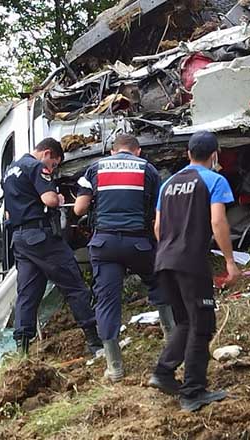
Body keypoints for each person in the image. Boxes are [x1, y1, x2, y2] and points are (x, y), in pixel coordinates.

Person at [148, 131, 241, 412]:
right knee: (202, 325)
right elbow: (217, 221)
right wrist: (229, 261)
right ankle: (192, 392)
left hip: (164, 260)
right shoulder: (214, 180)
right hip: (191, 262)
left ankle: (163, 373)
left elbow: (157, 227)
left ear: (188, 154)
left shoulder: (168, 184)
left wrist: (170, 249)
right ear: (215, 155)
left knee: (185, 323)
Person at [73, 133, 175, 382]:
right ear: (137, 151)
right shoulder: (148, 170)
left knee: (107, 302)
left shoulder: (94, 169)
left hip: (104, 244)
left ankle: (115, 367)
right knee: (159, 283)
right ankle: (172, 342)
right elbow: (157, 209)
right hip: (138, 243)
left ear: (112, 151)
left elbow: (79, 209)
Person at [3, 137, 102, 356]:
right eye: (54, 164)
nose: (52, 168)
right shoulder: (36, 167)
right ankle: (95, 341)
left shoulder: (10, 170)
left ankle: (22, 350)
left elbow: (8, 211)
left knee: (28, 293)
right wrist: (57, 196)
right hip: (41, 237)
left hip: (19, 238)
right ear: (47, 154)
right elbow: (49, 200)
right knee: (74, 284)